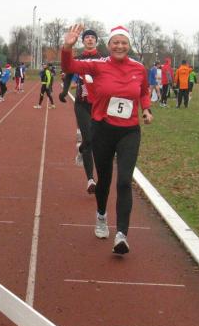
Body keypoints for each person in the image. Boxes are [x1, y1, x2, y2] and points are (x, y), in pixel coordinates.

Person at [60, 24, 153, 255]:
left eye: (124, 42)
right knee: (104, 180)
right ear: (109, 45)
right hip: (103, 129)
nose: (120, 46)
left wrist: (146, 109)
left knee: (124, 182)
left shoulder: (138, 68)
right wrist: (67, 47)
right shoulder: (98, 65)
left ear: (129, 45)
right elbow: (69, 66)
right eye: (115, 42)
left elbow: (143, 91)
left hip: (129, 132)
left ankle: (121, 235)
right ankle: (101, 215)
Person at [59, 28, 101, 194]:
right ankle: (90, 180)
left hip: (100, 105)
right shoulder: (78, 59)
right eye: (87, 37)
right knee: (88, 139)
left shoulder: (104, 59)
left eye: (92, 37)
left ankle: (83, 148)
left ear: (96, 41)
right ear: (83, 41)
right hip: (82, 104)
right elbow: (69, 74)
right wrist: (64, 91)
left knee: (96, 141)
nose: (90, 39)